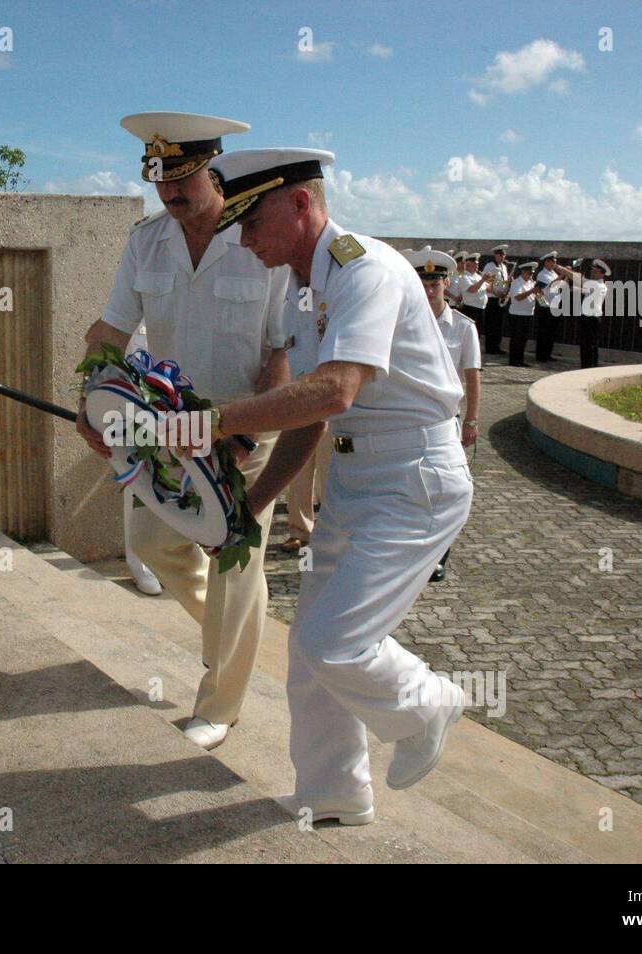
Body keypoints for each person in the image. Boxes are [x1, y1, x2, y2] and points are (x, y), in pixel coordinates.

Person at [180, 147, 473, 823]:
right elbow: (312, 416)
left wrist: (211, 422)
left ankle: (428, 704)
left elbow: (335, 390)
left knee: (334, 643)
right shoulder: (306, 286)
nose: (244, 240)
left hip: (413, 480)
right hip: (358, 478)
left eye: (251, 223)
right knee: (308, 654)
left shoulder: (365, 271)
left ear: (300, 204)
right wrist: (249, 507)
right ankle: (334, 795)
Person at [74, 112, 292, 750]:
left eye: (183, 178)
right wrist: (89, 404)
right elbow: (109, 333)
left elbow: (282, 349)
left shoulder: (259, 239)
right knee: (155, 544)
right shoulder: (147, 242)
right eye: (160, 180)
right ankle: (232, 635)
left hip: (247, 421)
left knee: (235, 557)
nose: (170, 195)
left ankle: (220, 704)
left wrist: (248, 433)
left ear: (214, 169)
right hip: (165, 423)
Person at [404, 247, 481, 584]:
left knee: (446, 492)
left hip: (446, 421)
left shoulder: (463, 328)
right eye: (423, 282)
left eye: (435, 283)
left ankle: (438, 557)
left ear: (446, 283)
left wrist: (473, 420)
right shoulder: (404, 323)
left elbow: (473, 376)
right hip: (408, 420)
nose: (429, 289)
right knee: (411, 488)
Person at [123, 323, 163, 595]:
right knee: (137, 484)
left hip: (181, 413)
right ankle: (140, 564)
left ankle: (177, 556)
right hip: (139, 412)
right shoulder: (132, 316)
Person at [279, 423, 333, 553]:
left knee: (328, 470)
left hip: (331, 413)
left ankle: (330, 532)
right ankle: (299, 531)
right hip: (302, 411)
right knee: (298, 473)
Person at [551, 258, 611, 368]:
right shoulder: (600, 285)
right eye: (593, 271)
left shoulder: (596, 285)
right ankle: (591, 366)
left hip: (589, 318)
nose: (593, 273)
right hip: (593, 318)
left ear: (602, 274)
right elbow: (583, 289)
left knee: (586, 344)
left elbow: (577, 278)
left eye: (595, 272)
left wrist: (559, 268)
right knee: (592, 344)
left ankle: (587, 367)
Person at [506, 261, 539, 367]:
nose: (531, 275)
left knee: (523, 339)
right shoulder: (516, 282)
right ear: (523, 272)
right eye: (529, 273)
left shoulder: (531, 283)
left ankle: (520, 359)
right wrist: (531, 291)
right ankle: (513, 360)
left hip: (528, 313)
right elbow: (517, 297)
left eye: (532, 274)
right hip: (517, 314)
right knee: (516, 338)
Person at [481, 244, 510, 355]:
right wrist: (495, 292)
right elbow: (487, 283)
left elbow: (502, 282)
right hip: (492, 298)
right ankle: (490, 347)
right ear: (495, 255)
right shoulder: (490, 266)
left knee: (499, 324)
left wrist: (505, 289)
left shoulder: (504, 267)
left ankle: (496, 346)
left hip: (501, 298)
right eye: (500, 255)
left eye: (503, 255)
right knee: (491, 324)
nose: (502, 257)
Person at [533, 251, 560, 363]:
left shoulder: (554, 274)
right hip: (545, 306)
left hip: (554, 305)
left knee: (551, 333)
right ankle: (541, 355)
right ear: (547, 262)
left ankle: (548, 354)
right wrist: (542, 304)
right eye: (552, 261)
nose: (555, 263)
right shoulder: (542, 274)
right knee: (543, 332)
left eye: (555, 261)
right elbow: (542, 289)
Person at [453, 252, 488, 331]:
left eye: (477, 264)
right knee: (469, 332)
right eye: (475, 264)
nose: (477, 266)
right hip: (471, 308)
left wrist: (491, 281)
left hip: (481, 308)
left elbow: (488, 289)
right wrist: (483, 280)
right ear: (468, 265)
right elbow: (472, 289)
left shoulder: (478, 276)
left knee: (478, 332)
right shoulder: (464, 277)